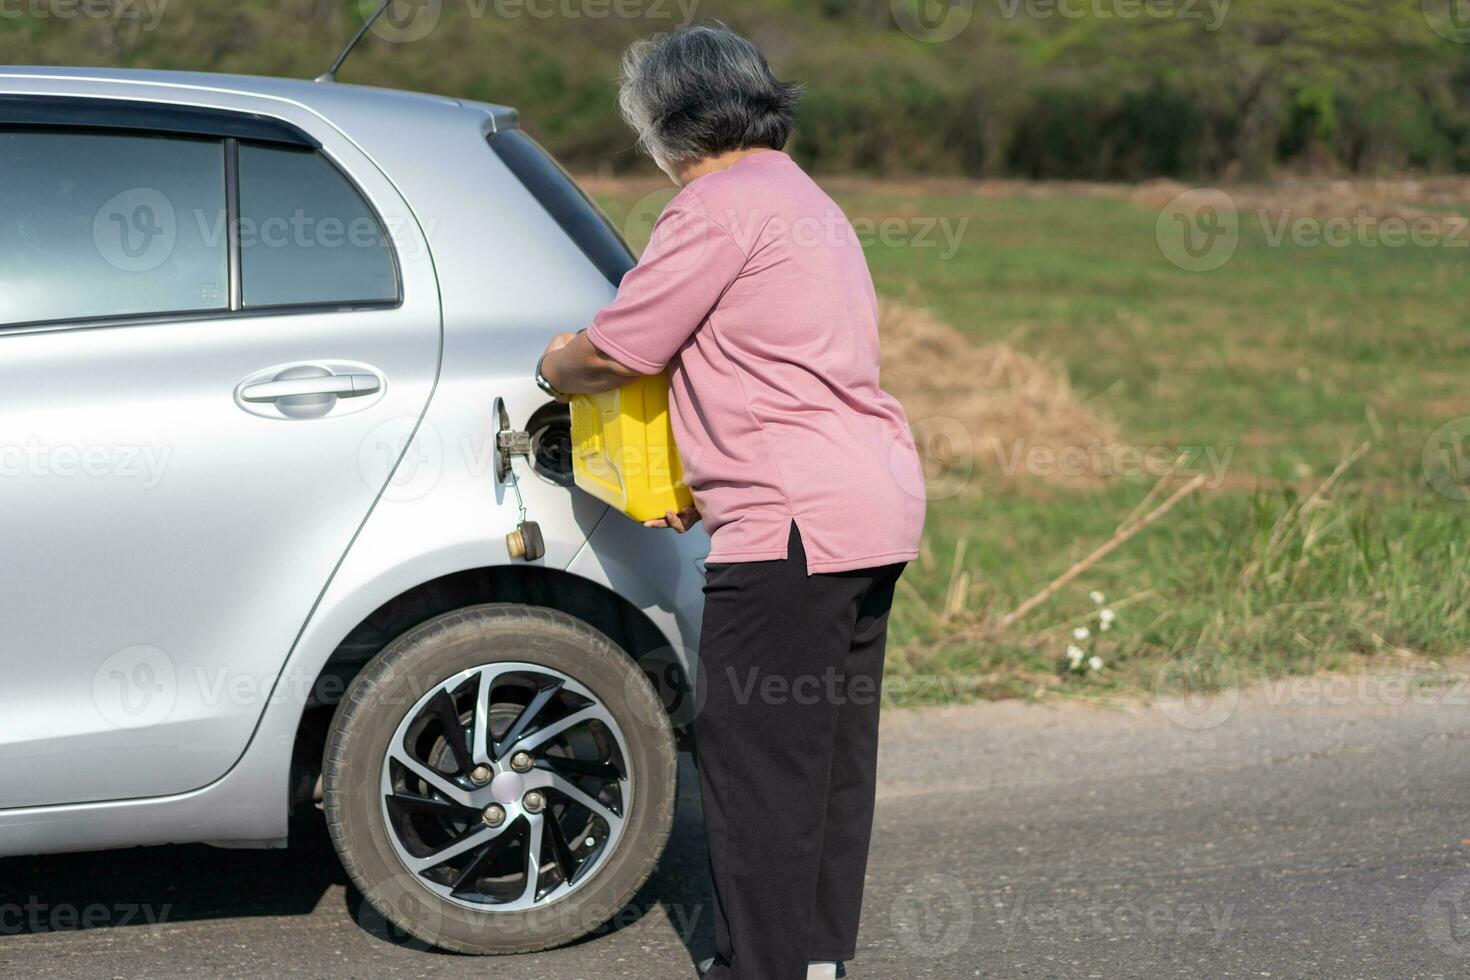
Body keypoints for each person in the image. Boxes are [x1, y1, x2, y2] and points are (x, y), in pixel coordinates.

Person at [537, 23, 925, 980]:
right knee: (829, 764)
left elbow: (623, 344)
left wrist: (552, 366)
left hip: (789, 521)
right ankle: (818, 960)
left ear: (668, 127)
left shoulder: (714, 207)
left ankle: (762, 968)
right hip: (869, 507)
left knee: (757, 768)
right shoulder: (803, 197)